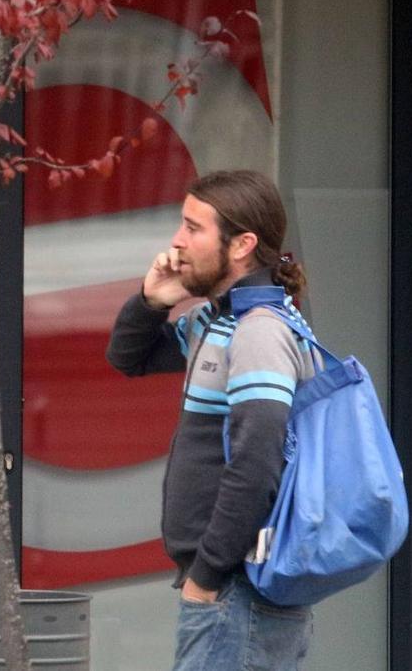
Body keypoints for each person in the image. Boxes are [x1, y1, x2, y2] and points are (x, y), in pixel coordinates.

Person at [106, 170, 315, 670]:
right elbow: (128, 357)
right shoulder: (217, 321)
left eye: (193, 228)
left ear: (242, 245)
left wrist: (207, 576)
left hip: (237, 593)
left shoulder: (258, 334)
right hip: (230, 592)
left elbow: (256, 466)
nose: (177, 242)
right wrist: (153, 299)